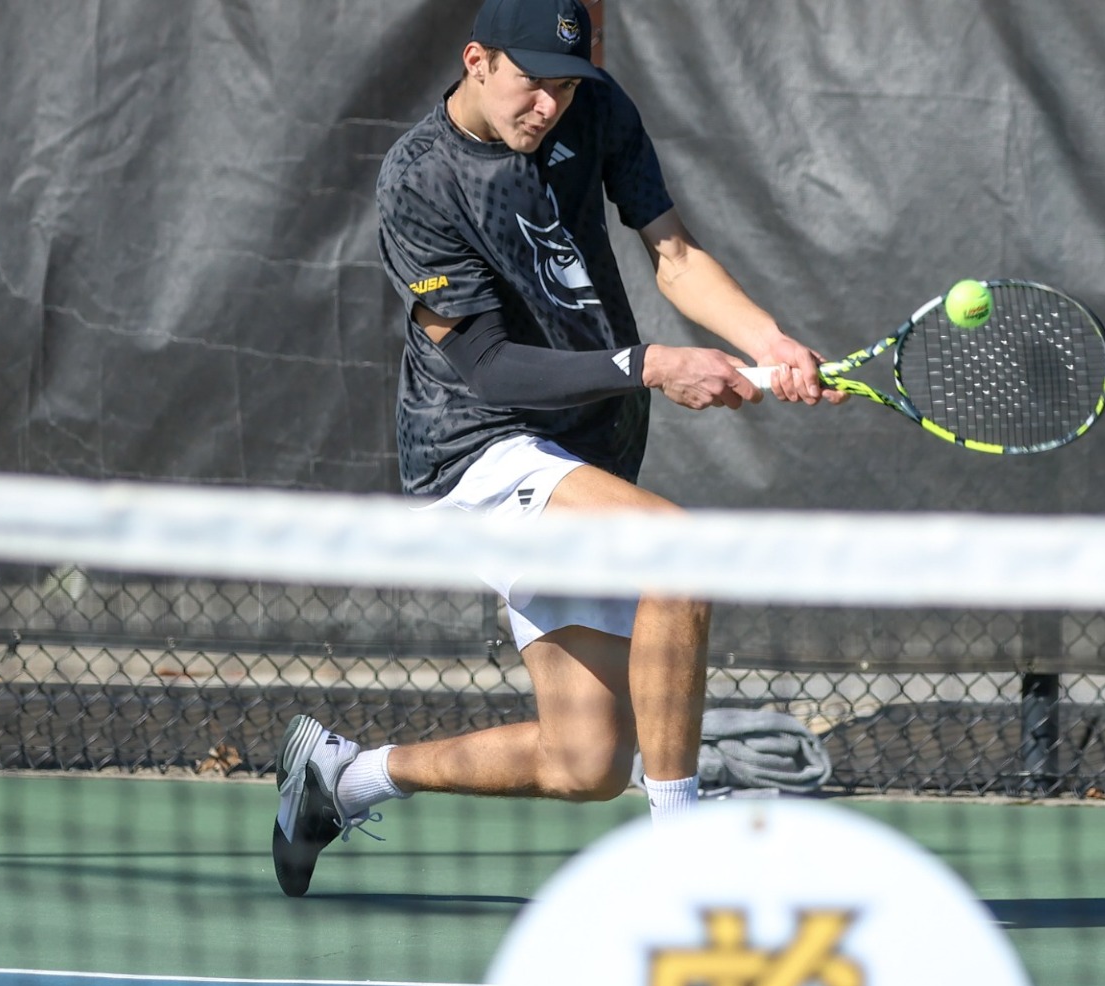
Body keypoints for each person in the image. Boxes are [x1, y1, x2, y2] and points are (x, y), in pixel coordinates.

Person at [272, 0, 840, 897]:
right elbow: (488, 366)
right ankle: (679, 866)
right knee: (679, 555)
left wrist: (768, 341)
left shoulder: (595, 110)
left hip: (584, 450)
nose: (550, 105)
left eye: (567, 85)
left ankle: (346, 777)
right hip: (479, 448)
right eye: (533, 83)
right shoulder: (418, 178)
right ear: (477, 61)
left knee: (586, 763)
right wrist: (650, 363)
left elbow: (675, 253)